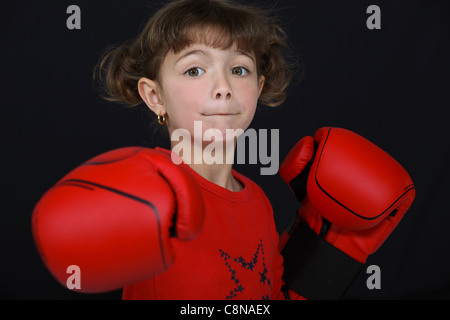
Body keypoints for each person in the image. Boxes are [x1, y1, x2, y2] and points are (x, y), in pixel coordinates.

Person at [31, 0, 415, 300]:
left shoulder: (258, 201)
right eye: (194, 70)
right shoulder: (148, 191)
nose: (223, 87)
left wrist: (327, 250)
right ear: (154, 96)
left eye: (240, 69)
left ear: (259, 88)